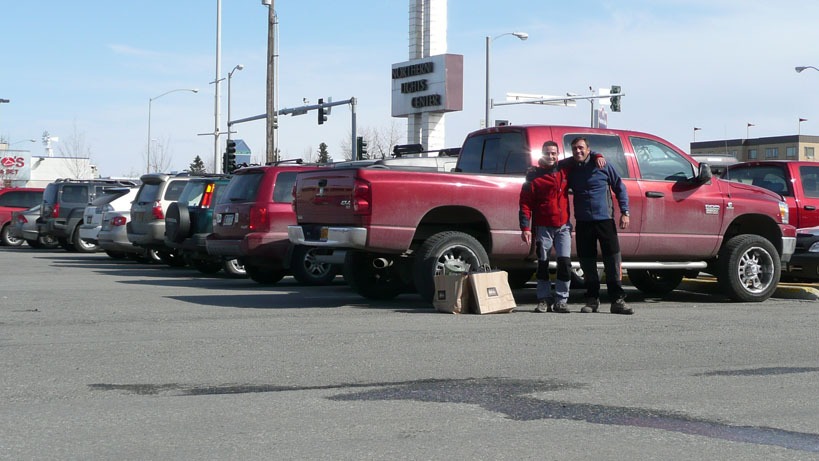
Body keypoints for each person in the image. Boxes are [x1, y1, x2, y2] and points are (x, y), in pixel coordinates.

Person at [519, 141, 604, 314]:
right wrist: (525, 228)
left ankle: (561, 300)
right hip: (543, 227)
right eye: (547, 153)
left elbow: (584, 153)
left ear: (558, 155)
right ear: (541, 154)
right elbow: (525, 203)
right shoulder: (533, 175)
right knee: (542, 264)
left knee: (564, 263)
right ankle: (543, 299)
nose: (550, 156)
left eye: (554, 153)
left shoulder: (564, 168)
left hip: (563, 226)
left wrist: (598, 155)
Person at [566, 136, 633, 315]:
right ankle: (592, 299)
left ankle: (617, 300)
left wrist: (625, 212)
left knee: (612, 261)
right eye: (574, 149)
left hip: (605, 221)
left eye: (581, 148)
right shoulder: (571, 168)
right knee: (587, 263)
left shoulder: (602, 165)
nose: (578, 152)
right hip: (583, 222)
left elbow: (620, 187)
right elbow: (553, 164)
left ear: (588, 149)